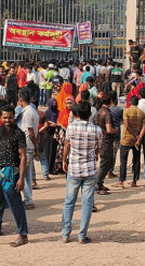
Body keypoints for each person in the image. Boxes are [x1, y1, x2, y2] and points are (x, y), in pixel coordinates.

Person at [0, 106, 29, 247]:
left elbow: (23, 157)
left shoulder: (18, 133)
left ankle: (23, 235)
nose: (7, 120)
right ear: (0, 117)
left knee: (15, 205)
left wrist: (21, 178)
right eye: (4, 118)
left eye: (10, 117)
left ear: (14, 117)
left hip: (11, 174)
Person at [61, 101, 102, 244]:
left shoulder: (71, 128)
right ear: (90, 114)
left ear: (77, 114)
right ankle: (82, 235)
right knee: (87, 204)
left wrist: (64, 160)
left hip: (74, 168)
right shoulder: (97, 130)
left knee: (69, 203)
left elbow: (67, 145)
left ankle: (65, 235)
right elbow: (98, 149)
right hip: (89, 169)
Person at [17, 90, 39, 210]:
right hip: (30, 146)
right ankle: (28, 198)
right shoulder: (32, 111)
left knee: (23, 175)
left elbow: (31, 132)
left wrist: (35, 146)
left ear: (20, 99)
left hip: (27, 146)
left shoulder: (28, 113)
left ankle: (29, 200)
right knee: (28, 175)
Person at [117, 95, 145, 189]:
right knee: (137, 160)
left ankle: (121, 181)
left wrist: (134, 134)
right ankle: (134, 181)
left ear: (130, 102)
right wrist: (139, 138)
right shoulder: (142, 113)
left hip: (126, 139)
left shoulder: (126, 111)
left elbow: (126, 125)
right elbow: (143, 128)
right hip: (136, 141)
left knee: (123, 161)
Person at [94, 93, 116, 193]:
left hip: (100, 139)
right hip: (106, 141)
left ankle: (100, 183)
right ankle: (97, 184)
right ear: (111, 101)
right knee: (105, 164)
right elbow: (109, 129)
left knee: (106, 162)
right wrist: (116, 130)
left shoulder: (99, 112)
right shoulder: (107, 113)